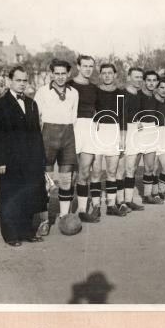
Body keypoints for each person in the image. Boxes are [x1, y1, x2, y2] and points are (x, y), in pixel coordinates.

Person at [0, 66, 48, 246]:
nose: (22, 84)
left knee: (29, 195)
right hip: (9, 161)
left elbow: (36, 134)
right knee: (10, 196)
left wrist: (41, 161)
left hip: (30, 160)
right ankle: (10, 235)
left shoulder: (32, 104)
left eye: (24, 80)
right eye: (18, 80)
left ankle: (26, 231)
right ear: (9, 81)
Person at [34, 58, 79, 234]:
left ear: (68, 74)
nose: (60, 77)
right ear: (52, 74)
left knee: (66, 180)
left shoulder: (74, 92)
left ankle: (64, 218)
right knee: (46, 181)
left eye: (63, 74)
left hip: (67, 136)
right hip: (47, 137)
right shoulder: (42, 91)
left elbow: (73, 118)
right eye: (57, 73)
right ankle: (44, 221)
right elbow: (36, 118)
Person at [91, 63, 127, 217]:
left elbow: (123, 117)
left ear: (115, 75)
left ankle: (111, 205)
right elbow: (90, 111)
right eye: (104, 73)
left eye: (110, 73)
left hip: (114, 132)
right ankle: (96, 206)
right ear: (100, 75)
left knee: (112, 171)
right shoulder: (95, 91)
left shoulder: (120, 93)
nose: (107, 76)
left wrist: (123, 138)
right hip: (98, 132)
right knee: (96, 172)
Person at [68, 55, 100, 222]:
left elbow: (99, 110)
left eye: (90, 66)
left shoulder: (94, 88)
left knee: (85, 171)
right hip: (72, 128)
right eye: (85, 66)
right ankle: (65, 212)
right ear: (78, 67)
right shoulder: (69, 85)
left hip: (89, 129)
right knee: (70, 173)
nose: (88, 69)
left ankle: (81, 210)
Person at [117, 66, 147, 212]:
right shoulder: (121, 94)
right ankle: (119, 201)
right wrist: (122, 137)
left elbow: (137, 112)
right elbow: (120, 116)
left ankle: (128, 200)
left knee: (131, 168)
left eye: (141, 77)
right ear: (129, 77)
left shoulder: (139, 95)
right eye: (136, 77)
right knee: (120, 169)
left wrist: (138, 121)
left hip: (135, 132)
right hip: (123, 131)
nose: (139, 80)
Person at [137, 70, 164, 205]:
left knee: (150, 166)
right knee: (131, 167)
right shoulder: (137, 95)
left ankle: (147, 196)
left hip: (151, 131)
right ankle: (124, 199)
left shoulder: (156, 98)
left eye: (154, 80)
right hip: (137, 131)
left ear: (157, 82)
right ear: (144, 81)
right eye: (148, 80)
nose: (151, 83)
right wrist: (136, 121)